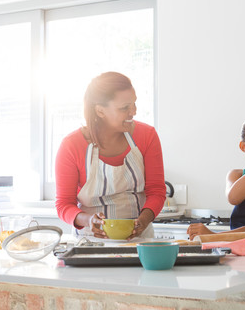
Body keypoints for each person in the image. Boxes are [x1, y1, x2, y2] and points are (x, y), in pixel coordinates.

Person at [55, 72, 166, 240]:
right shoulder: (71, 145)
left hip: (139, 239)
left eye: (134, 104)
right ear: (100, 111)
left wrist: (143, 221)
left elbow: (157, 191)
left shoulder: (147, 136)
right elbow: (63, 204)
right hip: (90, 240)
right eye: (125, 108)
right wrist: (89, 220)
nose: (133, 112)